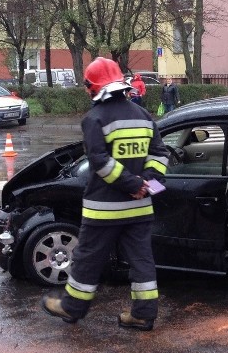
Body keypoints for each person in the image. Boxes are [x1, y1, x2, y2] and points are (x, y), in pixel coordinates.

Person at [42, 57, 169, 330]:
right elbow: (160, 154)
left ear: (93, 87)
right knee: (142, 261)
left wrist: (133, 185)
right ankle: (143, 314)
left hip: (104, 210)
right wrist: (147, 184)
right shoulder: (144, 116)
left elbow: (99, 162)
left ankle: (72, 307)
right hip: (140, 208)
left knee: (88, 259)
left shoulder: (94, 118)